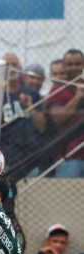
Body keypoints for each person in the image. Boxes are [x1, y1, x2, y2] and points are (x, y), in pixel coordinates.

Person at [0, 53, 44, 171]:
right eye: (7, 64)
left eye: (14, 64)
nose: (11, 67)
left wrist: (30, 107)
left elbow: (41, 126)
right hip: (4, 154)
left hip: (29, 153)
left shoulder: (30, 93)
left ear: (20, 69)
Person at [47, 49, 84, 178]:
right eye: (70, 64)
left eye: (77, 64)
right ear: (64, 66)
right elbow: (57, 118)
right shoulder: (58, 89)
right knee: (68, 198)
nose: (74, 67)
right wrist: (77, 97)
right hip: (69, 155)